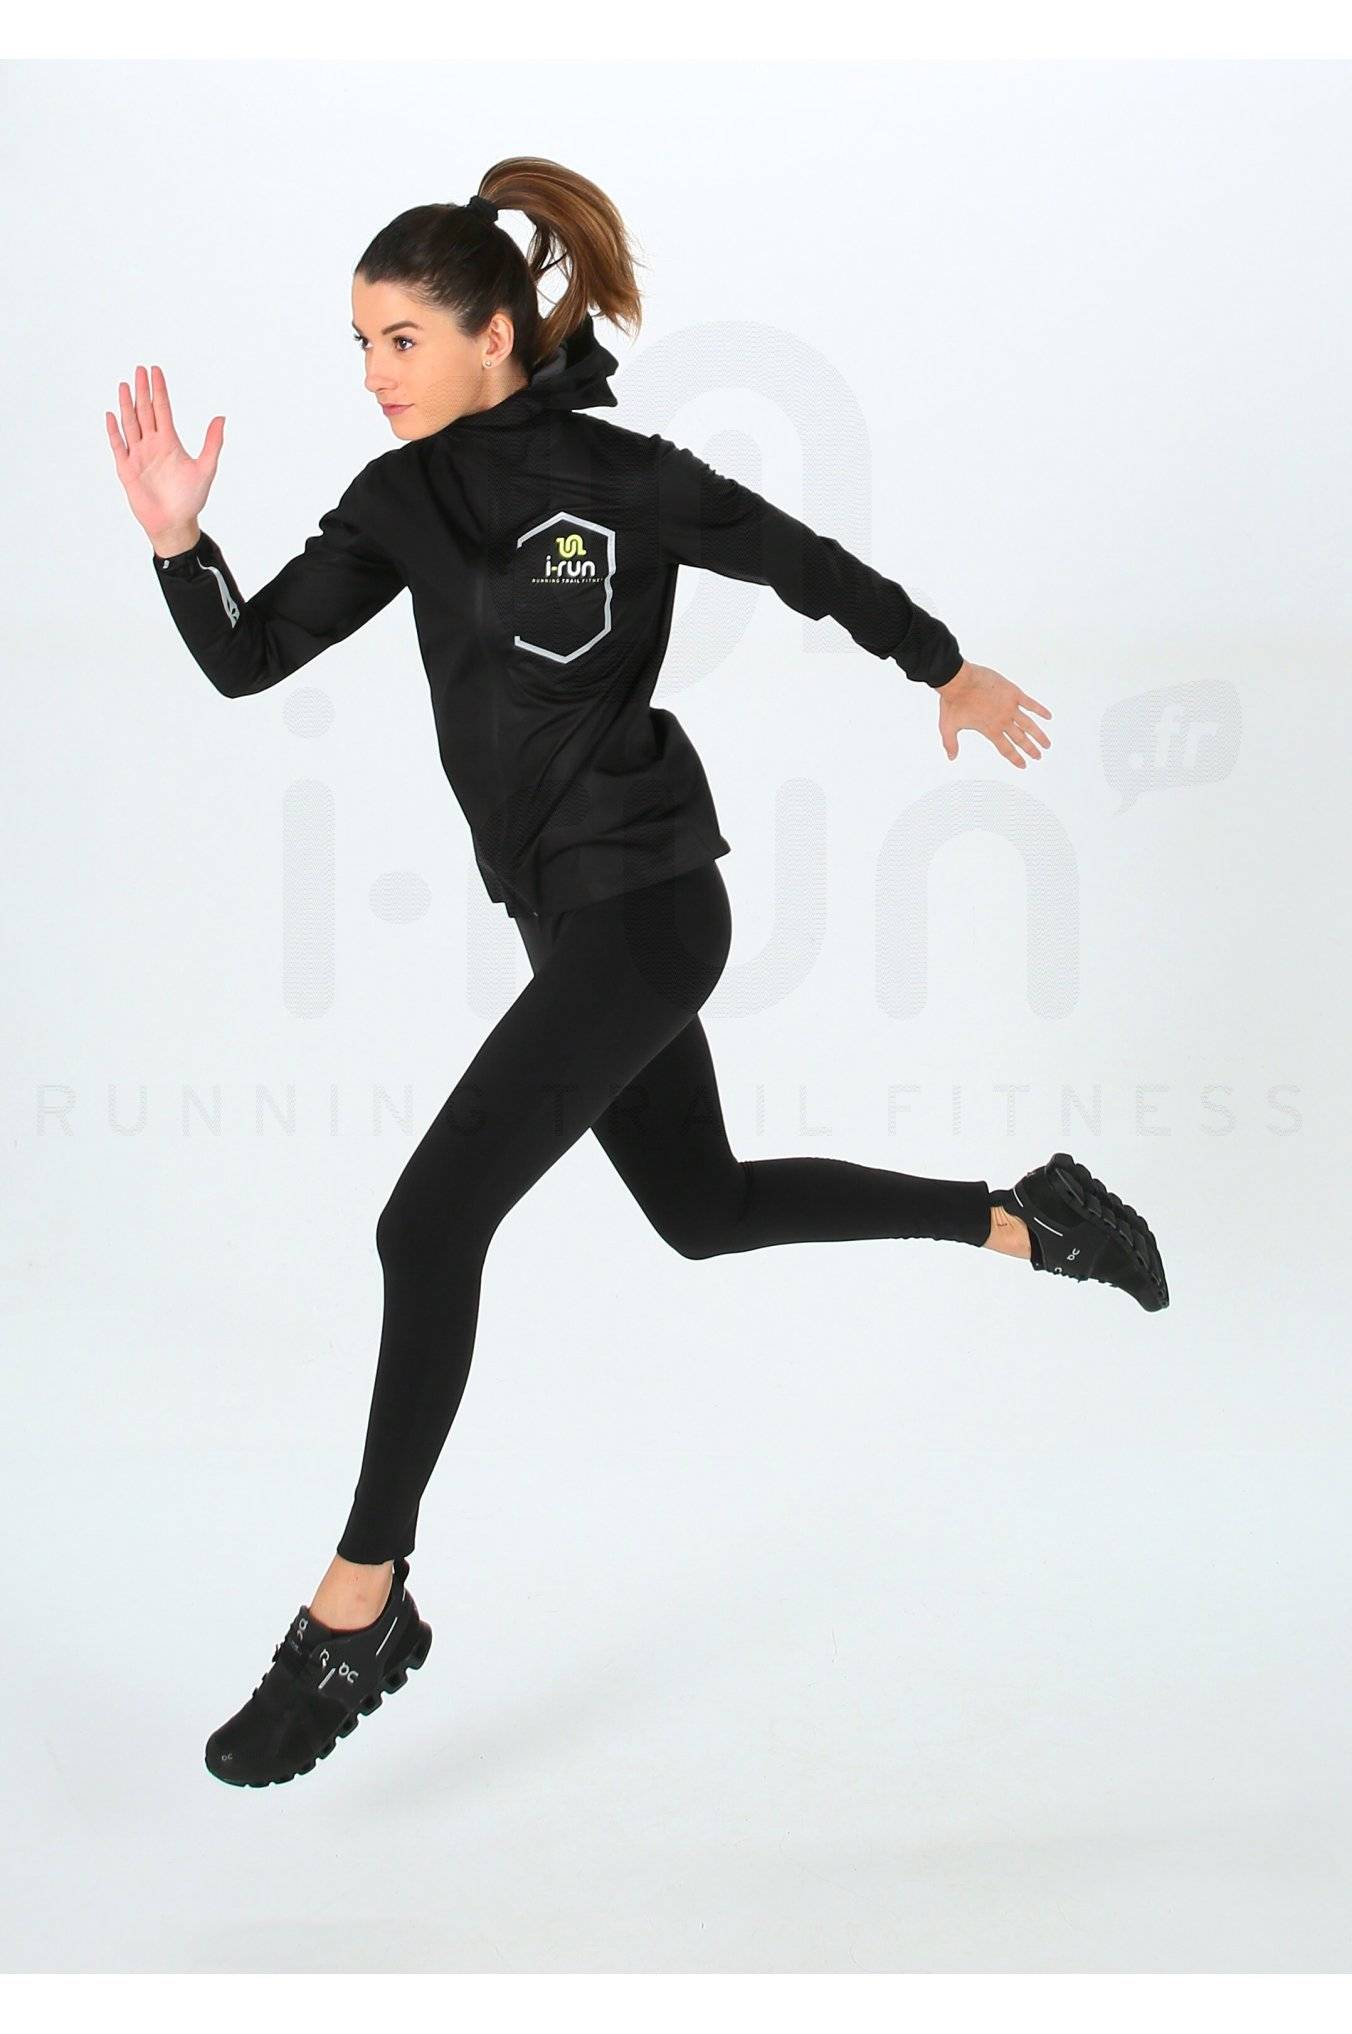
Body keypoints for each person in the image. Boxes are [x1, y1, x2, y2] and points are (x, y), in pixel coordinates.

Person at [107, 156, 1169, 1790]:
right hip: (567, 924)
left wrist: (945, 665)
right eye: (360, 344)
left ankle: (358, 1607)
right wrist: (183, 541)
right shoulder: (397, 504)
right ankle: (1031, 1214)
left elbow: (803, 558)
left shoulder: (623, 477)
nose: (373, 373)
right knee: (704, 1208)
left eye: (400, 340)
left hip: (652, 912)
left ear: (492, 336)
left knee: (423, 1226)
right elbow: (251, 657)